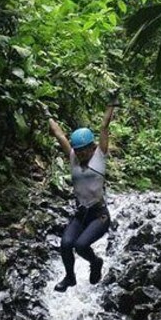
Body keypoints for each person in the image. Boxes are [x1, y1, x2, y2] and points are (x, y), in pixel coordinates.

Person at [46, 91, 119, 292]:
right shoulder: (73, 157)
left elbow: (104, 127)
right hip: (81, 214)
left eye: (83, 150)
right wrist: (46, 115)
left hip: (99, 215)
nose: (79, 154)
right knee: (66, 243)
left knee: (81, 246)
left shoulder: (99, 157)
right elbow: (59, 134)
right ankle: (70, 277)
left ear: (91, 147)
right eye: (77, 150)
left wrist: (112, 103)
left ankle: (95, 262)